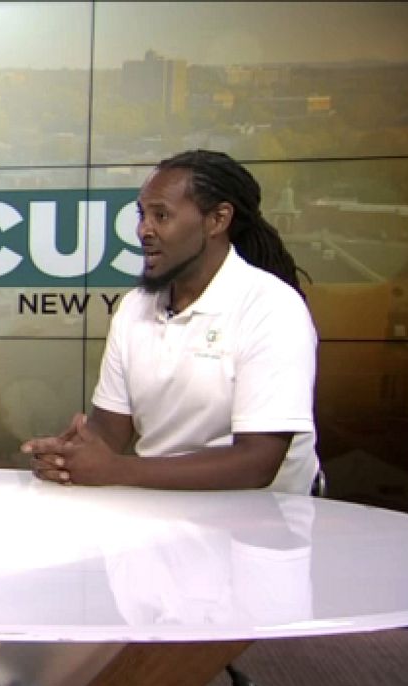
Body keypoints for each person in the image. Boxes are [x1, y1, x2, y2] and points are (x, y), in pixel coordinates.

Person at [22, 149, 318, 494]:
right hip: (159, 506)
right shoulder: (135, 307)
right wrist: (70, 456)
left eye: (160, 215)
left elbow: (256, 464)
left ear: (217, 220)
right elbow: (110, 432)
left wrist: (116, 469)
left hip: (267, 516)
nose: (143, 230)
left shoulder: (272, 307)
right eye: (142, 215)